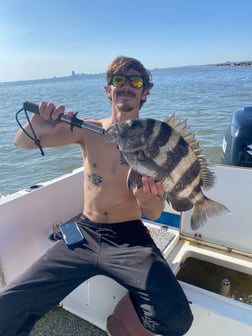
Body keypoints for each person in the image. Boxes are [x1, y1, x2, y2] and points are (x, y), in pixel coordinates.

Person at [0, 56, 193, 335]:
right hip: (85, 232)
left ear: (145, 92)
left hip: (129, 237)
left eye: (135, 81)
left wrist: (146, 198)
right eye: (118, 80)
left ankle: (125, 312)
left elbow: (152, 213)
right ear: (108, 90)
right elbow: (23, 142)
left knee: (177, 319)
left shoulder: (155, 142)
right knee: (7, 308)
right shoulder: (87, 131)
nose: (126, 86)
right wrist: (39, 122)